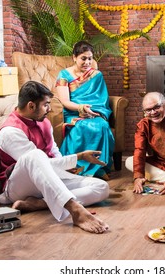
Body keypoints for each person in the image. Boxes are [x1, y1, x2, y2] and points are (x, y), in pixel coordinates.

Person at [0, 81, 109, 234]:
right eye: (46, 105)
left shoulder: (44, 122)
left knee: (101, 188)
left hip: (48, 180)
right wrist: (78, 157)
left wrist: (67, 166)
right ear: (31, 106)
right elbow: (39, 164)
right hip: (19, 186)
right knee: (35, 155)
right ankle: (75, 210)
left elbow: (53, 151)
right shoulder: (10, 131)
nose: (49, 109)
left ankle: (39, 204)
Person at [56, 41, 114, 180]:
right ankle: (80, 167)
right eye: (83, 58)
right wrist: (81, 108)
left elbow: (101, 100)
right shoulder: (64, 75)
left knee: (102, 126)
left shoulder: (96, 75)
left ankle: (99, 166)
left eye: (90, 58)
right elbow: (65, 101)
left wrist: (93, 110)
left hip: (94, 112)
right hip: (74, 112)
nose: (87, 62)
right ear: (74, 57)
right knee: (82, 127)